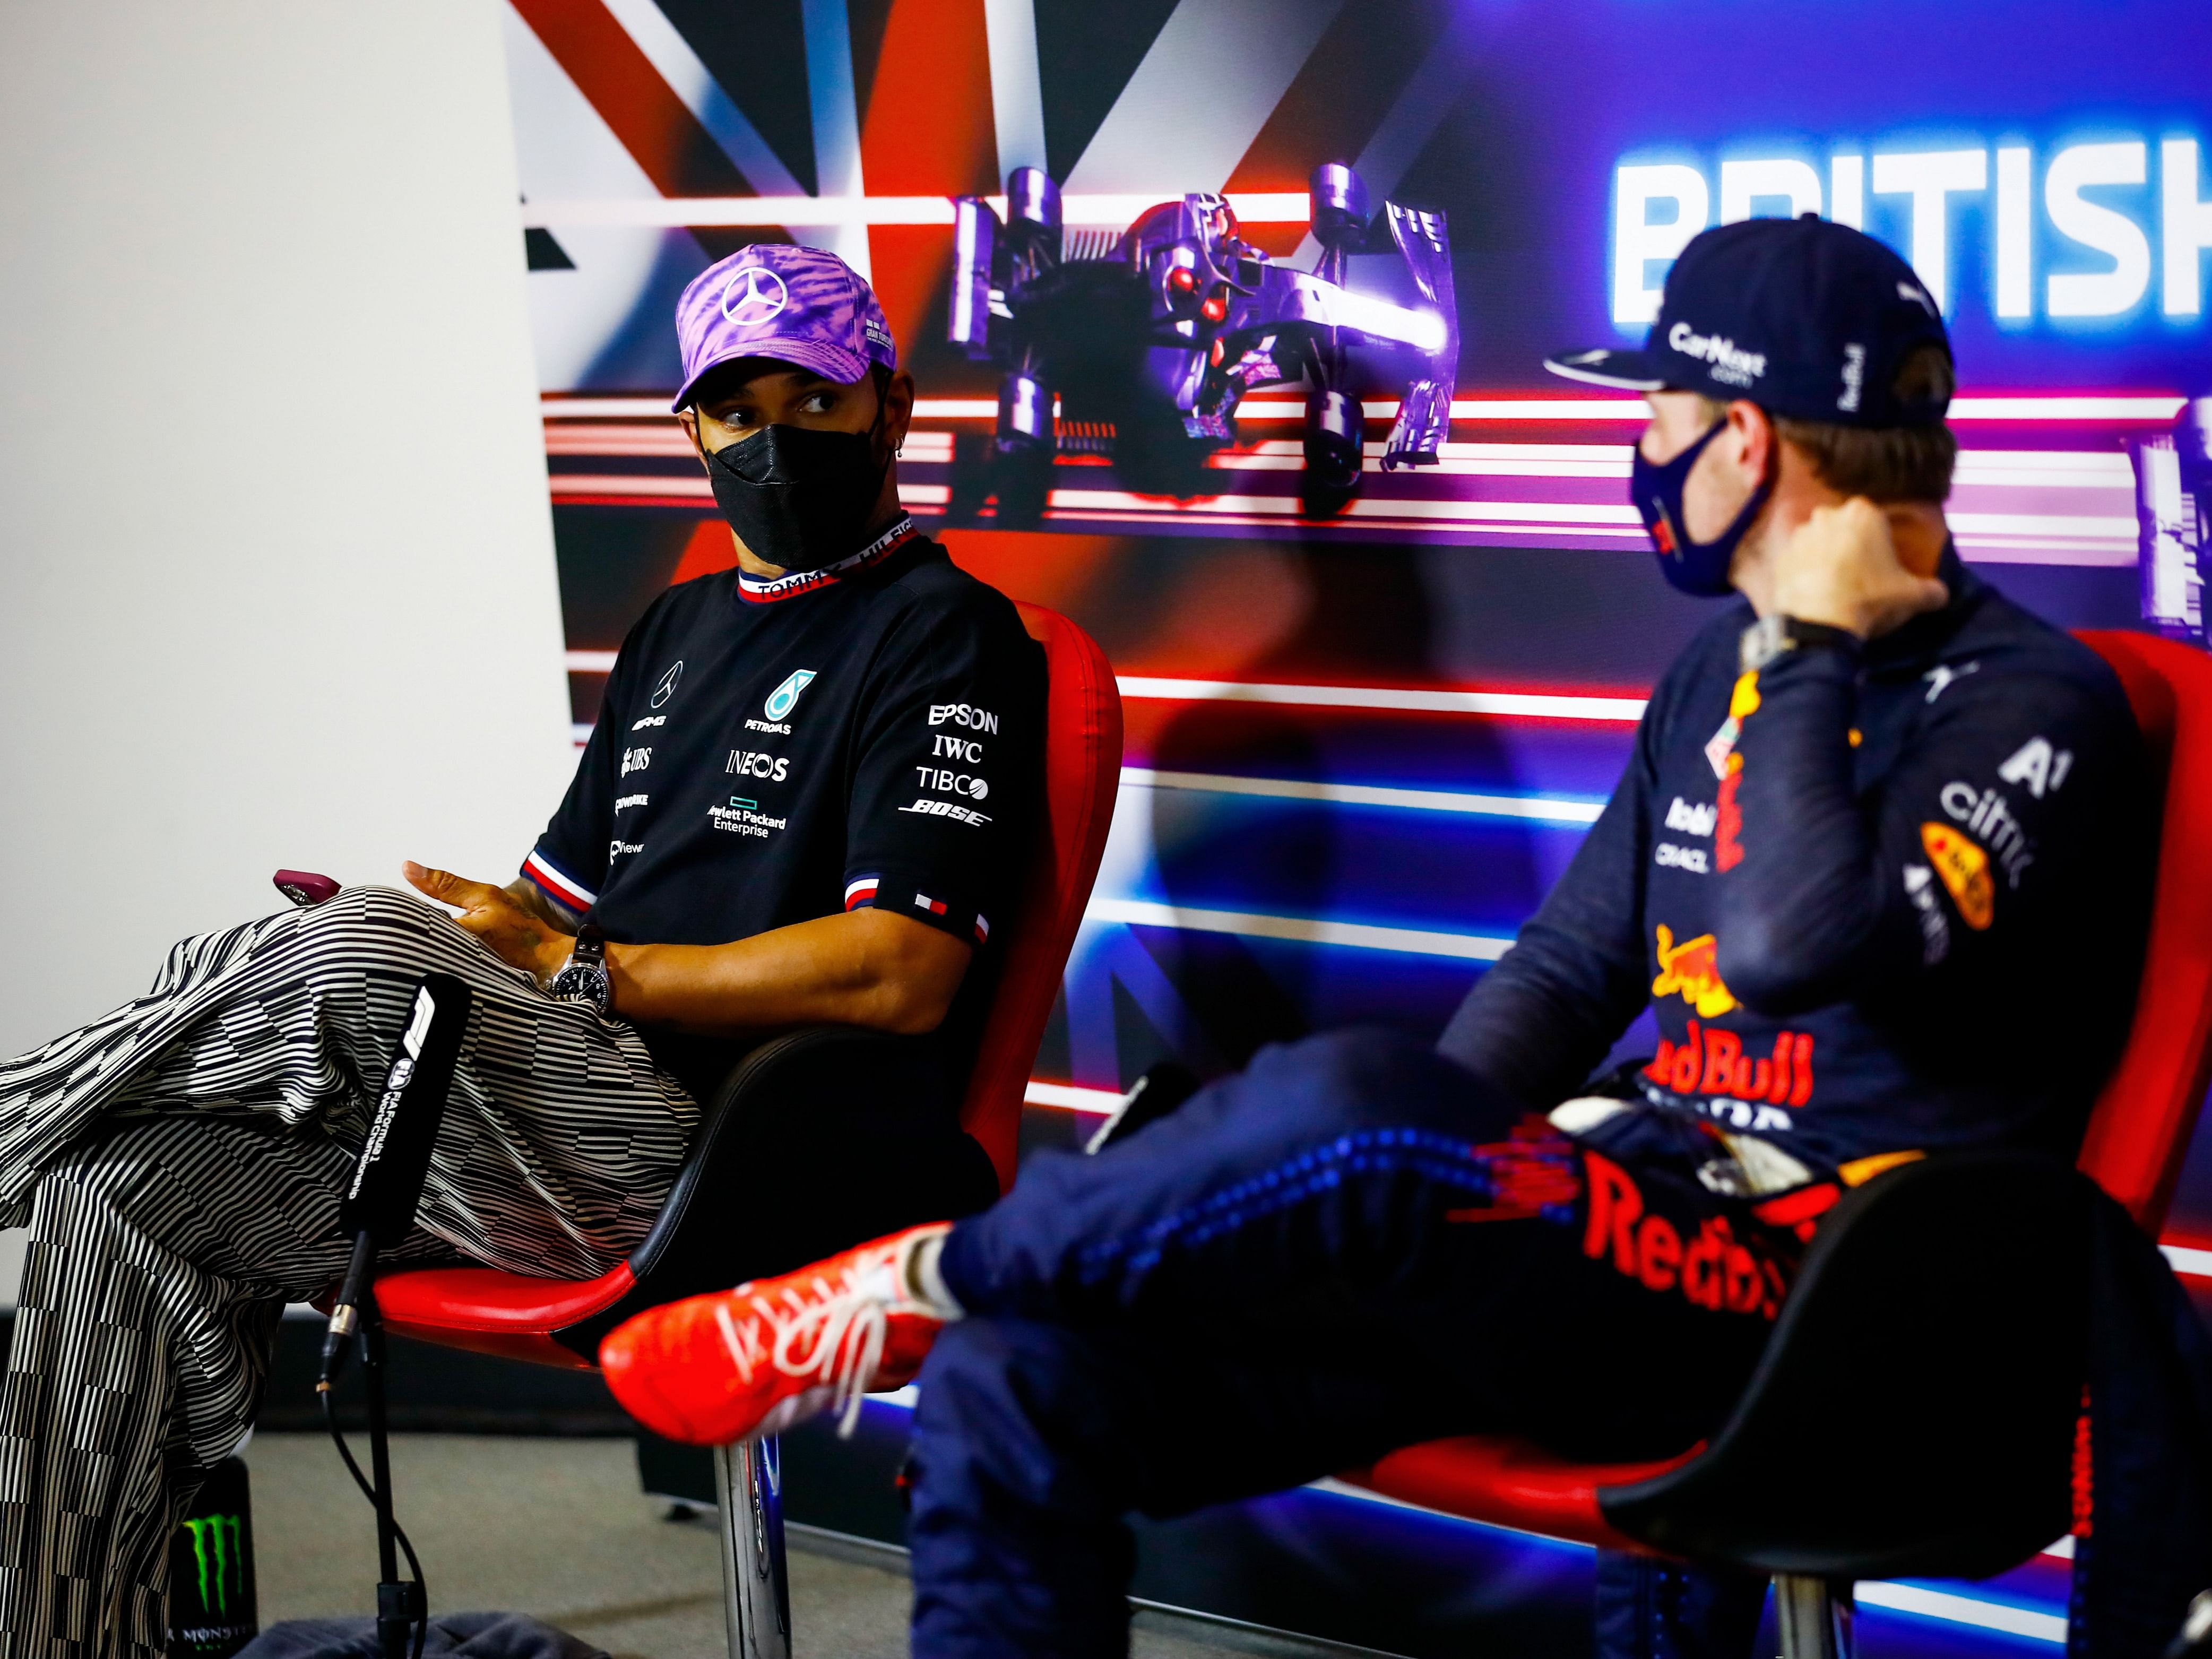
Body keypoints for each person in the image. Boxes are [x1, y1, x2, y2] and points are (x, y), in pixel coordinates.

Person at [595, 217, 2155, 1658]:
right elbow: (1561, 976)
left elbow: (1794, 941)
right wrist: (1427, 1182)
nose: (1642, 452)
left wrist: (1812, 646)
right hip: (1620, 1244)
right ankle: (979, 1304)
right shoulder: (1711, 681)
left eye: (1663, 417)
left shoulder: (2035, 699)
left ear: (1747, 441)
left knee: (1364, 1112)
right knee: (1024, 1387)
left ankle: (918, 1279)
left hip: (1837, 1296)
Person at [0, 244, 1042, 1659]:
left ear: (892, 407)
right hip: (553, 1116)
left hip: (736, 1150)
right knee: (119, 1188)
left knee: (364, 946)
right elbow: (552, 919)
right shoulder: (674, 630)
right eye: (740, 410)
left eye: (818, 399)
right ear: (694, 430)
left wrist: (566, 974)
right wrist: (478, 940)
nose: (778, 441)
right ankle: (68, 1639)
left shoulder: (950, 632)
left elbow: (900, 974)